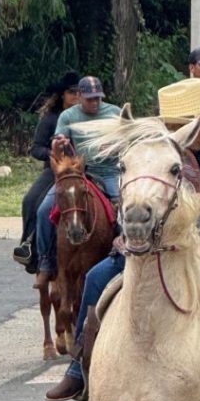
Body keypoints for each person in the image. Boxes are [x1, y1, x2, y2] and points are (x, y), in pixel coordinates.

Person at [44, 80, 200, 401]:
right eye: (186, 125)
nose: (196, 133)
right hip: (152, 243)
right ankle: (79, 367)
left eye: (197, 126)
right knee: (95, 279)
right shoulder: (150, 153)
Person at [33, 76, 122, 291]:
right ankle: (45, 261)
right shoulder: (68, 115)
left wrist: (116, 144)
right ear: (80, 96)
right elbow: (58, 139)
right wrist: (59, 143)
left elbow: (129, 139)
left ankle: (123, 256)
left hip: (110, 172)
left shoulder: (115, 113)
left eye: (97, 98)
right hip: (81, 172)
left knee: (124, 210)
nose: (94, 103)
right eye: (90, 99)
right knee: (44, 209)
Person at [14, 71, 80, 271]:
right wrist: (52, 154)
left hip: (83, 169)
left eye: (79, 92)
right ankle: (30, 246)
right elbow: (36, 148)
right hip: (55, 170)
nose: (76, 96)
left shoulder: (87, 117)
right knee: (31, 200)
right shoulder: (51, 118)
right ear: (62, 94)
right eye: (72, 92)